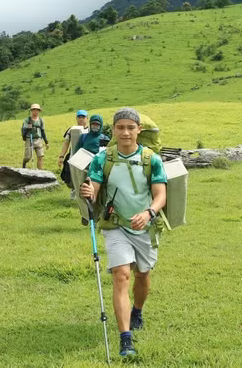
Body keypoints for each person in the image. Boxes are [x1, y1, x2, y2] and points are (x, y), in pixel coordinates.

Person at [79, 107, 167, 358]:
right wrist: (89, 192)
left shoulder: (152, 160)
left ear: (139, 129)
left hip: (145, 226)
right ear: (114, 130)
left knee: (142, 275)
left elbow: (161, 195)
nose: (125, 132)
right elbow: (95, 188)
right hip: (115, 224)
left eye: (130, 127)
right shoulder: (102, 159)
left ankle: (137, 310)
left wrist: (148, 213)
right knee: (121, 275)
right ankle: (125, 339)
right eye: (120, 127)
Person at [58, 110, 89, 197]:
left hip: (85, 157)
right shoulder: (71, 130)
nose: (81, 119)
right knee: (72, 175)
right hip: (73, 155)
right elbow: (66, 143)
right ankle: (73, 191)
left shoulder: (90, 130)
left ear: (87, 118)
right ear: (76, 118)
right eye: (79, 117)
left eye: (83, 117)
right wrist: (61, 156)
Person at [21, 103, 49, 169]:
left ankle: (40, 172)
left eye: (37, 110)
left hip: (38, 139)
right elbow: (24, 131)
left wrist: (46, 142)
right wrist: (28, 128)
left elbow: (42, 131)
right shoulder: (27, 120)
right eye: (34, 110)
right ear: (31, 110)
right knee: (28, 157)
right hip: (29, 139)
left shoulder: (41, 120)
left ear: (39, 111)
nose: (35, 111)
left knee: (40, 156)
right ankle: (24, 163)